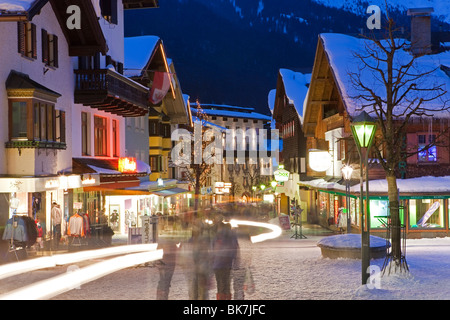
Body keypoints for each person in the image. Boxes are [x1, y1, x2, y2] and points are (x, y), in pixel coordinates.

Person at [212, 222, 239, 300]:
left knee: (220, 285)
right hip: (227, 264)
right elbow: (235, 249)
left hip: (217, 264)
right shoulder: (232, 237)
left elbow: (212, 250)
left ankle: (221, 298)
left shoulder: (216, 237)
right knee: (226, 285)